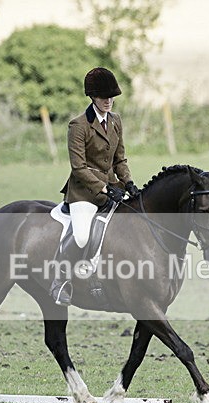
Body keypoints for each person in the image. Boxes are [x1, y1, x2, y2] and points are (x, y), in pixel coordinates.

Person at [50, 67, 141, 306]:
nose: (108, 101)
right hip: (84, 193)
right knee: (81, 237)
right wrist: (104, 188)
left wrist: (129, 182)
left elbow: (120, 159)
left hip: (114, 187)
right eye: (103, 97)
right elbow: (78, 167)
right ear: (92, 97)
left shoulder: (116, 121)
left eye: (111, 97)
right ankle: (60, 280)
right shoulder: (78, 125)